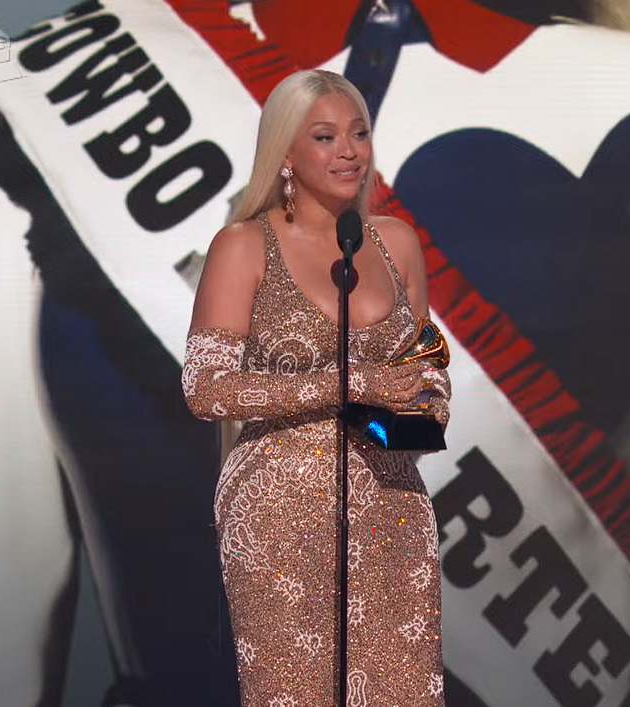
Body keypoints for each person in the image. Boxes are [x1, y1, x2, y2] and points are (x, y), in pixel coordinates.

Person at [181, 69, 450, 705]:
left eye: (359, 133)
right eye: (326, 137)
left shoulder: (396, 243)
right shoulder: (244, 246)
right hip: (279, 513)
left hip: (392, 507)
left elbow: (431, 370)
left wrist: (403, 417)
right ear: (286, 155)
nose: (350, 151)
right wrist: (345, 385)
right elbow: (205, 386)